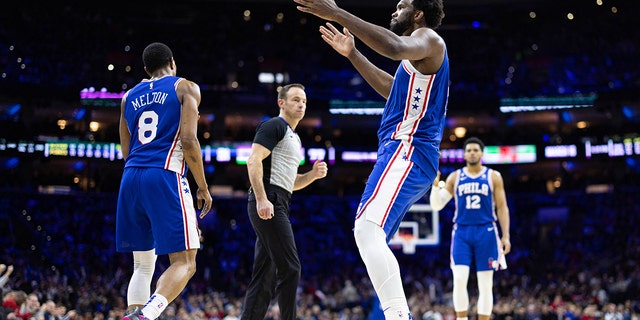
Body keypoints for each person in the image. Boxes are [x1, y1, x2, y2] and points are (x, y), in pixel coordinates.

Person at [295, 0, 447, 319]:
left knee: (366, 228)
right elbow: (394, 90)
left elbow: (392, 47)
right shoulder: (415, 61)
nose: (394, 9)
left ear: (419, 14)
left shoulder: (430, 39)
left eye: (403, 5)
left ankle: (397, 315)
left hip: (407, 148)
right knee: (370, 233)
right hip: (406, 153)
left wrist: (337, 12)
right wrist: (353, 54)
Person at [117, 42, 213, 320]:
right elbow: (188, 139)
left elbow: (127, 149)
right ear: (173, 61)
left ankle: (134, 314)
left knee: (143, 265)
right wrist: (203, 186)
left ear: (146, 69)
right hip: (164, 172)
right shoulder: (185, 87)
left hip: (131, 176)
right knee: (186, 262)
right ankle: (146, 315)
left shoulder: (127, 97)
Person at [241, 83, 328, 320]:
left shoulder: (294, 137)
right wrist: (261, 199)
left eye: (304, 101)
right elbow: (253, 161)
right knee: (290, 268)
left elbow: (290, 182)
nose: (301, 105)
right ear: (282, 102)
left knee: (264, 277)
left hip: (279, 199)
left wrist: (312, 175)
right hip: (268, 200)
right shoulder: (274, 125)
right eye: (296, 100)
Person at [429, 137, 511, 320]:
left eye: (475, 150)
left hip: (487, 231)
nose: (472, 153)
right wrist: (435, 185)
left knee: (485, 283)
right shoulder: (455, 177)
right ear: (464, 154)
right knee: (459, 278)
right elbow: (437, 205)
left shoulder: (493, 176)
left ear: (481, 153)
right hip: (462, 232)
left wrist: (506, 236)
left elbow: (502, 207)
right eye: (469, 150)